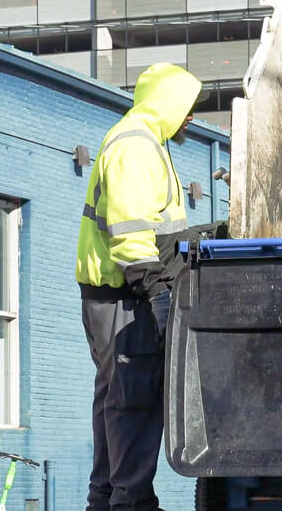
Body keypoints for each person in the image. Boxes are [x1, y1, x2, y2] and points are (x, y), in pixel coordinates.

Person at [77, 62, 203, 511]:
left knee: (117, 394)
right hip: (128, 298)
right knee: (133, 394)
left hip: (116, 297)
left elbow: (154, 228)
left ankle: (110, 498)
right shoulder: (136, 147)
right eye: (187, 108)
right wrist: (159, 294)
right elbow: (131, 236)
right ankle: (130, 501)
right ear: (168, 105)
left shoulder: (144, 141)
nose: (191, 117)